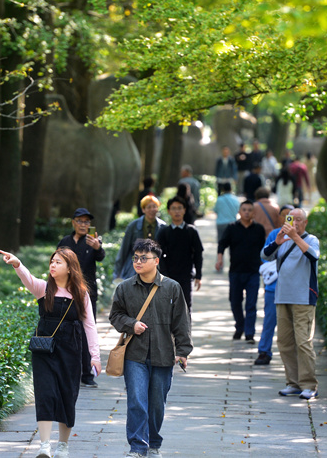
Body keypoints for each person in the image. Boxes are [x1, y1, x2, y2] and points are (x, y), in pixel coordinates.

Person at [0, 248, 101, 458]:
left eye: (58, 262)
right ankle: (44, 446)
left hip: (71, 350)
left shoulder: (80, 294)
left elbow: (89, 325)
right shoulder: (43, 288)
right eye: (52, 261)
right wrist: (17, 264)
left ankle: (62, 446)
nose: (52, 265)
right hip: (44, 350)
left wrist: (95, 357)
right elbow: (27, 278)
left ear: (70, 268)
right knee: (45, 393)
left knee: (67, 395)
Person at [109, 239, 193, 458]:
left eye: (143, 258)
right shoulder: (125, 288)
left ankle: (153, 444)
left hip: (163, 354)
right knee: (137, 401)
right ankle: (137, 447)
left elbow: (181, 321)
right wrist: (131, 324)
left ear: (156, 261)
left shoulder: (172, 288)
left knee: (157, 405)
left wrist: (183, 351)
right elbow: (115, 315)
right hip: (134, 355)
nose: (138, 262)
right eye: (135, 258)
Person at [261, 207, 320, 400]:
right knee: (285, 342)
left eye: (299, 219)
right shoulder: (283, 240)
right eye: (290, 218)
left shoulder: (311, 239)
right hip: (282, 296)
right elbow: (265, 256)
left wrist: (295, 236)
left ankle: (309, 385)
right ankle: (293, 383)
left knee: (303, 342)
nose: (294, 222)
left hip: (303, 298)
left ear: (305, 222)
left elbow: (314, 256)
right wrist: (277, 242)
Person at [57, 207, 105, 389]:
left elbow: (101, 256)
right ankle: (68, 372)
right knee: (66, 331)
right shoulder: (65, 242)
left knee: (87, 332)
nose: (83, 225)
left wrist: (97, 247)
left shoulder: (93, 241)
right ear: (73, 223)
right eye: (80, 221)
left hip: (87, 294)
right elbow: (56, 262)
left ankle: (87, 374)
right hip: (65, 293)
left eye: (87, 222)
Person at [215, 200, 266, 343]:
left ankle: (249, 333)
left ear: (254, 213)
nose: (247, 212)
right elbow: (222, 244)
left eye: (250, 210)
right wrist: (219, 259)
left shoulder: (259, 229)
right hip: (236, 271)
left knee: (251, 304)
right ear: (239, 212)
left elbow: (263, 248)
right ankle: (240, 326)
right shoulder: (232, 228)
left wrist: (264, 263)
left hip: (253, 272)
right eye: (244, 210)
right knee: (235, 301)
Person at [254, 205, 294, 366]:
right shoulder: (274, 234)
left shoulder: (301, 236)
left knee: (292, 322)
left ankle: (293, 355)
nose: (286, 218)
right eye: (283, 215)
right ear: (279, 217)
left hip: (292, 287)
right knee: (269, 319)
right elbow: (265, 256)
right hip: (273, 286)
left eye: (290, 216)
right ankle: (264, 351)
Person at [156, 196, 204, 311]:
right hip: (168, 277)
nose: (177, 211)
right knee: (169, 309)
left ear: (184, 210)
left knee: (186, 307)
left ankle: (186, 324)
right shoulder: (164, 232)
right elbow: (158, 254)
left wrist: (198, 276)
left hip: (186, 276)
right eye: (173, 208)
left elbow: (198, 254)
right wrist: (164, 274)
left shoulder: (191, 231)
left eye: (179, 208)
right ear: (169, 211)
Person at [116, 195, 167, 281]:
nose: (152, 210)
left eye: (154, 206)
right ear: (143, 209)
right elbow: (123, 250)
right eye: (149, 207)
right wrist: (117, 274)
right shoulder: (133, 226)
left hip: (156, 268)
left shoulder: (163, 227)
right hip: (134, 269)